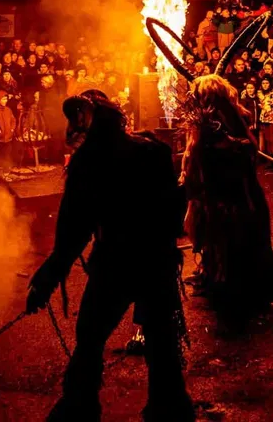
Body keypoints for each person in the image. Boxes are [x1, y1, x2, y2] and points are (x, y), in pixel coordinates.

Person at [26, 90, 192, 422]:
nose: (74, 127)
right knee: (161, 340)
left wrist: (47, 277)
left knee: (90, 336)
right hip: (154, 261)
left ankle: (80, 404)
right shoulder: (153, 149)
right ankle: (168, 406)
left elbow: (73, 231)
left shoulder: (89, 162)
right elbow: (175, 208)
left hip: (116, 263)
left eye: (78, 117)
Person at [178, 74, 273, 301]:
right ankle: (213, 269)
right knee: (214, 231)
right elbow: (194, 153)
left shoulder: (231, 116)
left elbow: (248, 148)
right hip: (215, 186)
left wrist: (228, 145)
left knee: (227, 231)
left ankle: (227, 276)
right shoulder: (203, 120)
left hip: (230, 188)